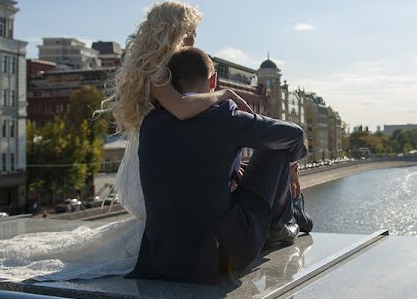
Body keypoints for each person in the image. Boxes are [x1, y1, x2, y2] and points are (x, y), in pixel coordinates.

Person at [0, 0, 251, 283]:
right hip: (150, 172)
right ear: (172, 31)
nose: (194, 39)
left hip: (154, 163)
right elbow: (181, 109)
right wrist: (225, 93)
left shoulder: (162, 67)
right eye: (189, 32)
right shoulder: (158, 71)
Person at [127, 47, 310, 283]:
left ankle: (282, 221)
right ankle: (279, 226)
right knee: (276, 149)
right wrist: (291, 167)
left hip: (160, 261)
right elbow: (295, 135)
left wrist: (231, 171)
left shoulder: (151, 124)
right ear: (214, 80)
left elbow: (191, 164)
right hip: (217, 259)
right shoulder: (225, 116)